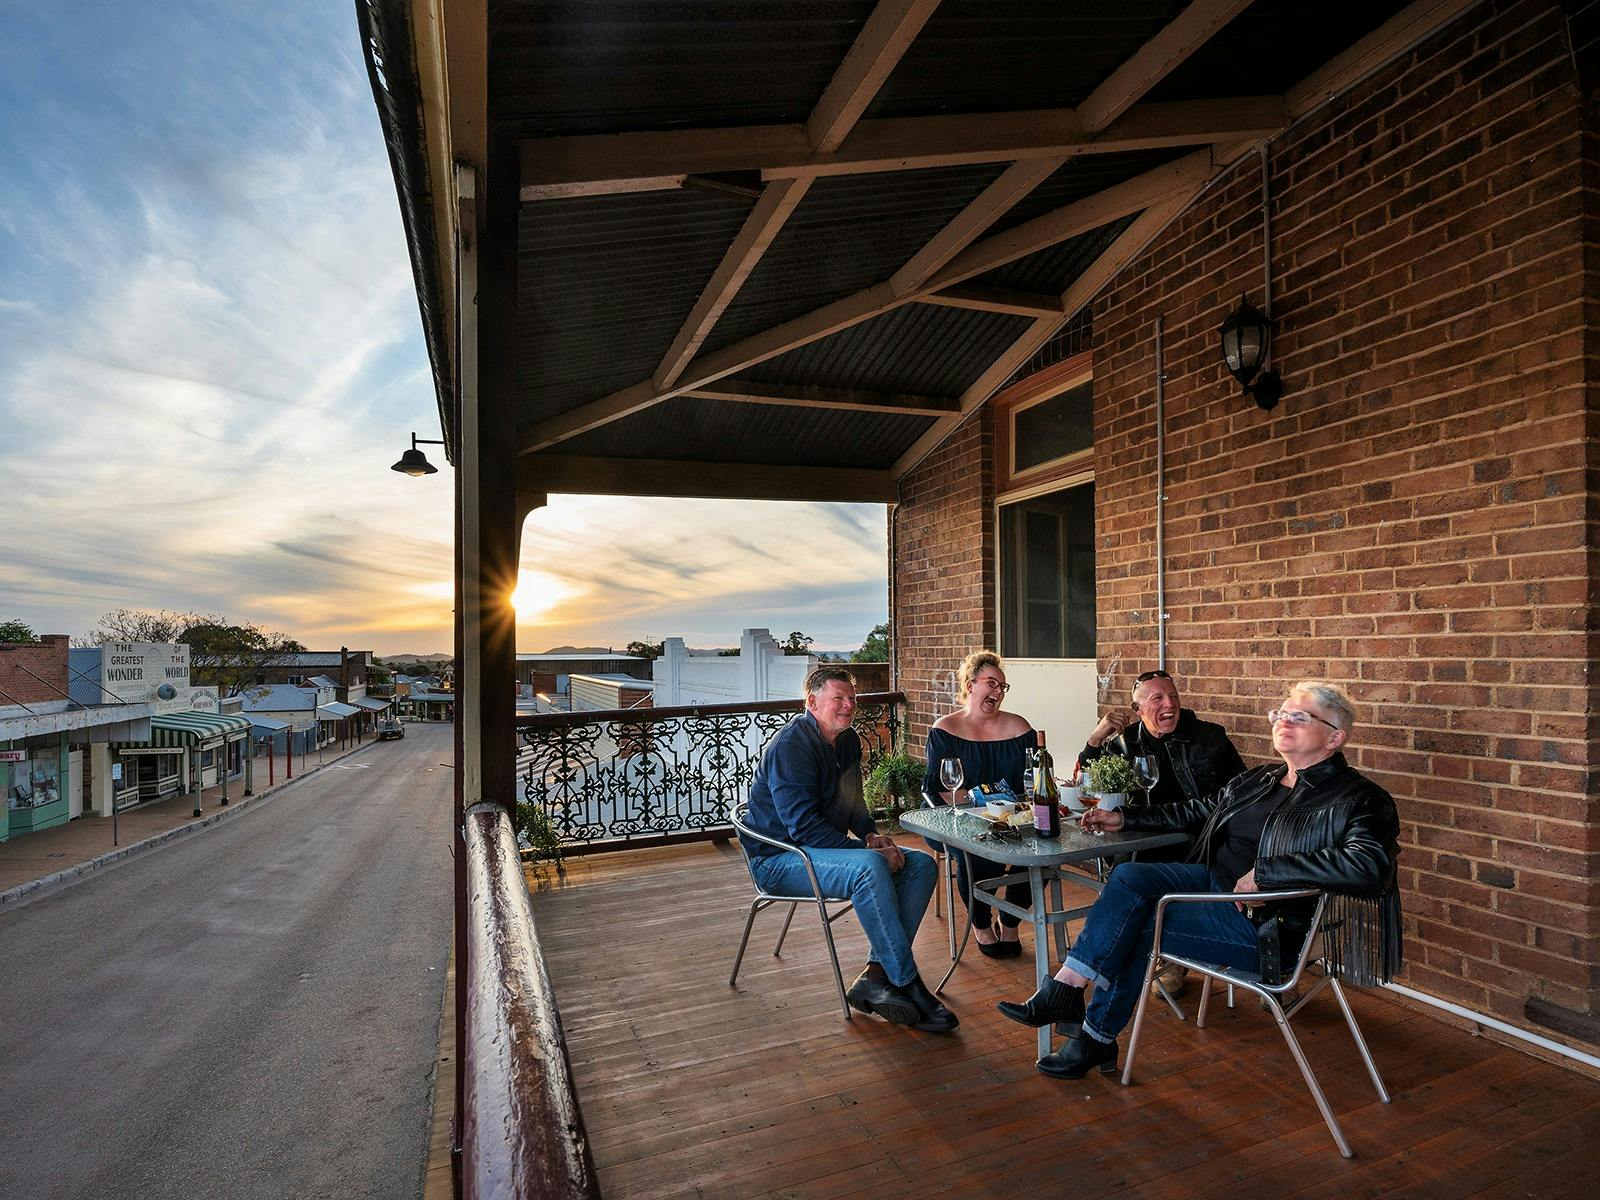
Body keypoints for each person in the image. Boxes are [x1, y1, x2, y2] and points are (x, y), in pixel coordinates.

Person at [997, 681, 1402, 1080]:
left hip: (1265, 927)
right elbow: (1196, 809)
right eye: (1281, 712)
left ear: (1335, 738)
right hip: (1214, 885)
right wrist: (1126, 818)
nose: (1284, 720)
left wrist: (1267, 873)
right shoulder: (1262, 779)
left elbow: (1370, 865)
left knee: (1138, 923)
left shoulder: (1360, 798)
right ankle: (1068, 989)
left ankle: (1092, 1034)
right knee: (1130, 877)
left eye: (1300, 716)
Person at [741, 665, 958, 1033]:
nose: (848, 706)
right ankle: (906, 983)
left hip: (818, 852)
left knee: (920, 863)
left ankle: (876, 975)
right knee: (869, 869)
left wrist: (871, 834)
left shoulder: (847, 740)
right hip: (780, 859)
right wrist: (865, 852)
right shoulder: (792, 746)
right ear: (811, 702)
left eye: (852, 699)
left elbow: (854, 801)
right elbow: (802, 827)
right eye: (838, 698)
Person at [1078, 668, 1247, 995]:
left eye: (1173, 696)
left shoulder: (1209, 738)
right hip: (1142, 839)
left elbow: (1233, 798)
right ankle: (1133, 955)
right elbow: (1089, 781)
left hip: (1200, 839)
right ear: (1138, 708)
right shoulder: (1125, 744)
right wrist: (1095, 740)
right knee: (1126, 878)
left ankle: (1174, 959)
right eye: (1157, 698)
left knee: (1157, 876)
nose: (1169, 703)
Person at [923, 651, 1037, 958]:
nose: (998, 691)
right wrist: (982, 809)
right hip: (954, 817)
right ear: (971, 684)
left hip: (1012, 819)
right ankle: (982, 925)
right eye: (991, 683)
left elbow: (1033, 781)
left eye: (1003, 686)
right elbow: (941, 789)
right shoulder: (945, 729)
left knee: (1039, 853)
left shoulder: (1020, 727)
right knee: (978, 856)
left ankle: (1010, 921)